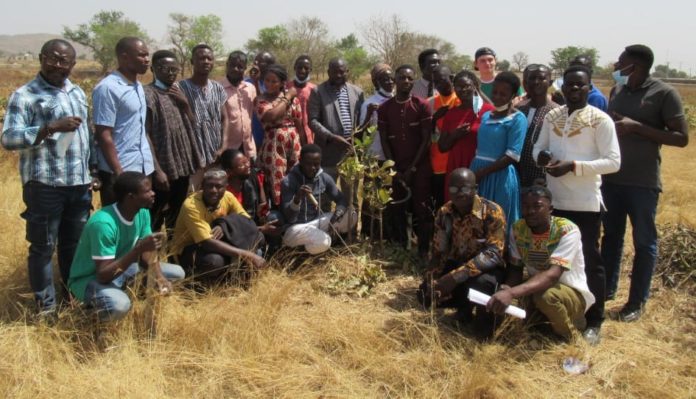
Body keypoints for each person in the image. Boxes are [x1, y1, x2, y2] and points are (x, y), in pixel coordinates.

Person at [1, 39, 100, 317]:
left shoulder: (77, 92)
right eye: (53, 59)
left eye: (64, 61)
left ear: (73, 64)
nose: (58, 65)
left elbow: (87, 136)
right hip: (45, 185)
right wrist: (49, 127)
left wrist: (93, 171)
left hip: (79, 185)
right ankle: (46, 308)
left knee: (74, 246)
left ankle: (72, 297)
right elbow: (8, 138)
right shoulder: (25, 95)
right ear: (42, 58)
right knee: (43, 248)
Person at [534, 65, 620, 344]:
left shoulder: (600, 120)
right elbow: (537, 148)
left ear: (589, 87)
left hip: (584, 203)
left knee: (590, 262)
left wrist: (574, 166)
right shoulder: (553, 115)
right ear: (562, 87)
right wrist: (544, 157)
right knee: (555, 261)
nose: (573, 89)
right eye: (569, 85)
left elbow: (613, 162)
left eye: (579, 85)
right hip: (553, 201)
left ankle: (595, 320)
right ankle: (560, 313)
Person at [602, 44, 689, 322]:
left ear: (635, 67)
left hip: (642, 183)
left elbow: (681, 137)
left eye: (621, 63)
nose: (616, 67)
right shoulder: (618, 90)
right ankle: (607, 290)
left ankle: (636, 302)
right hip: (612, 179)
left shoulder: (664, 93)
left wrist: (637, 127)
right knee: (611, 238)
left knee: (644, 243)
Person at [67, 172, 185, 322]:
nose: (153, 193)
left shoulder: (142, 212)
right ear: (131, 197)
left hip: (122, 270)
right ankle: (88, 318)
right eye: (147, 191)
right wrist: (137, 250)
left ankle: (122, 297)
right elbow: (103, 275)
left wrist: (160, 278)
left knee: (176, 274)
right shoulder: (104, 224)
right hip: (90, 279)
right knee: (120, 305)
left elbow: (146, 256)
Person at [487, 185, 595, 342]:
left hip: (570, 293)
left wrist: (512, 293)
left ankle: (570, 336)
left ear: (550, 208)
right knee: (505, 294)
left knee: (545, 296)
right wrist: (507, 288)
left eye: (537, 206)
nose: (530, 211)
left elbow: (552, 276)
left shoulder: (567, 230)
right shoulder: (518, 229)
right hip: (536, 288)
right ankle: (539, 326)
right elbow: (516, 269)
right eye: (525, 206)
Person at [419, 168, 506, 336]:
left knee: (481, 286)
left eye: (465, 189)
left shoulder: (492, 212)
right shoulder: (445, 213)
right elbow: (439, 252)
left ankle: (486, 321)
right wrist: (432, 279)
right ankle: (463, 310)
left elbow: (493, 254)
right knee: (425, 294)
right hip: (458, 264)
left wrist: (453, 278)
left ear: (475, 189)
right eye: (454, 189)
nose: (459, 194)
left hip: (486, 271)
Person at [144, 50, 202, 232]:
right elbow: (145, 134)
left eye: (174, 69)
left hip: (182, 165)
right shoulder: (149, 94)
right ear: (153, 69)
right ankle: (150, 256)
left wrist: (185, 104)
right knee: (155, 214)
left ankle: (173, 254)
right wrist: (157, 170)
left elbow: (193, 124)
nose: (170, 73)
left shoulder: (178, 91)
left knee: (176, 214)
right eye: (164, 68)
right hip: (164, 167)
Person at [172, 169, 266, 282]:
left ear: (226, 186)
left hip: (217, 241)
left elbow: (246, 221)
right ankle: (198, 282)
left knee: (259, 237)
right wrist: (247, 255)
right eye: (209, 186)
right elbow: (206, 242)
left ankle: (236, 277)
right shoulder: (191, 206)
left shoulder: (228, 197)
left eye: (219, 186)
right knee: (215, 261)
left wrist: (224, 225)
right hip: (189, 248)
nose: (213, 190)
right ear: (202, 186)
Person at [379, 65, 433, 257]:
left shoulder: (422, 105)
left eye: (410, 78)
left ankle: (423, 251)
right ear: (395, 80)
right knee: (397, 208)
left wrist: (412, 169)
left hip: (420, 167)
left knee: (422, 209)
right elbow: (384, 139)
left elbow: (426, 139)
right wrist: (393, 168)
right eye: (402, 78)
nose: (406, 82)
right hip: (397, 167)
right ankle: (401, 248)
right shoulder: (385, 108)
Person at [93, 36, 154, 206]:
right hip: (120, 173)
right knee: (118, 223)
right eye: (142, 55)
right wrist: (119, 173)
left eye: (147, 55)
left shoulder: (138, 86)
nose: (147, 60)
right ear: (124, 57)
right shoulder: (108, 88)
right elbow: (104, 134)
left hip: (142, 169)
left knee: (140, 223)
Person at [469, 72, 526, 235]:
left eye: (503, 93)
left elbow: (512, 155)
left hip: (500, 175)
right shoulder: (487, 115)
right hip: (478, 172)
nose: (497, 96)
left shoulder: (517, 119)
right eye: (495, 92)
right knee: (479, 216)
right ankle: (480, 255)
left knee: (499, 218)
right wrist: (476, 172)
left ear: (513, 95)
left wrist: (482, 173)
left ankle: (501, 256)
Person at [280, 144, 356, 254]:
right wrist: (297, 198)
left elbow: (341, 199)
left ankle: (325, 243)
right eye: (308, 164)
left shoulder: (324, 178)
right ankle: (300, 253)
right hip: (294, 229)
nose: (312, 168)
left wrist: (338, 213)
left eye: (316, 164)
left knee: (351, 214)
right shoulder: (289, 181)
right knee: (324, 241)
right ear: (300, 161)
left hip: (316, 223)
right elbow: (289, 217)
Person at [438, 70, 495, 202]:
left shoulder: (488, 111)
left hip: (480, 167)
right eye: (458, 86)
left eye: (467, 86)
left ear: (475, 86)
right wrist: (455, 135)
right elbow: (442, 147)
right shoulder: (451, 113)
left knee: (481, 205)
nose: (463, 90)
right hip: (457, 164)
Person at [179, 44, 229, 188]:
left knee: (215, 196)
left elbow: (224, 119)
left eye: (209, 58)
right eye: (201, 58)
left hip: (215, 155)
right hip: (193, 158)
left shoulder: (218, 88)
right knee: (192, 197)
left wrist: (223, 146)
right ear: (192, 61)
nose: (206, 61)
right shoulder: (180, 88)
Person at [308, 58, 364, 180]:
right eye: (334, 72)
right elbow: (313, 120)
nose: (338, 75)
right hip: (328, 153)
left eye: (341, 72)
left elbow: (361, 119)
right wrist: (331, 137)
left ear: (347, 71)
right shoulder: (318, 91)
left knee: (350, 195)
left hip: (351, 151)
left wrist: (356, 138)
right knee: (325, 194)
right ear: (328, 72)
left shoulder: (358, 92)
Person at [255, 64, 303, 207]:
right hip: (274, 144)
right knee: (277, 178)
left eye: (273, 81)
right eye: (266, 81)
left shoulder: (295, 100)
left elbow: (299, 122)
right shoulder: (261, 100)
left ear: (282, 83)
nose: (269, 84)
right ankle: (279, 211)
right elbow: (272, 116)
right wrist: (288, 96)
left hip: (294, 142)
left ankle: (296, 208)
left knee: (296, 175)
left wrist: (303, 145)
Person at [517, 64, 559, 188]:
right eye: (532, 78)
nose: (536, 82)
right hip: (517, 174)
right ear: (525, 82)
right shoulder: (518, 108)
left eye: (541, 78)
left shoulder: (557, 112)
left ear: (550, 82)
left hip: (542, 178)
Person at [428, 65, 459, 208]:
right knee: (440, 207)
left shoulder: (462, 100)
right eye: (436, 83)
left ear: (452, 78)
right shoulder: (430, 103)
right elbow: (425, 133)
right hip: (438, 165)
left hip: (459, 162)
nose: (439, 86)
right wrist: (434, 118)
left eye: (442, 81)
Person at [221, 50, 257, 162]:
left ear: (245, 68)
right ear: (227, 65)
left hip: (248, 147)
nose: (235, 69)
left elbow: (258, 108)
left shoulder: (250, 88)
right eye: (232, 65)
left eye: (240, 66)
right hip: (228, 148)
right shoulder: (218, 89)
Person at [358, 63, 394, 161]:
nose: (390, 82)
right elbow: (362, 132)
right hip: (377, 156)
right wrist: (369, 114)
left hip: (396, 154)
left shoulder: (398, 99)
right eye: (386, 80)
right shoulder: (369, 104)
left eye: (392, 78)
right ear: (376, 82)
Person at [247, 51, 277, 149]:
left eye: (260, 62)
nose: (255, 64)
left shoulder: (275, 85)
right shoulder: (246, 83)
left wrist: (256, 82)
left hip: (270, 135)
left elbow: (264, 105)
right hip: (252, 133)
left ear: (270, 66)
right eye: (255, 61)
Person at [287, 55, 317, 145]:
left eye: (306, 68)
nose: (302, 71)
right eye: (300, 67)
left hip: (308, 132)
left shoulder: (314, 89)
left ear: (310, 70)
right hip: (289, 131)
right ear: (295, 68)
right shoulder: (286, 87)